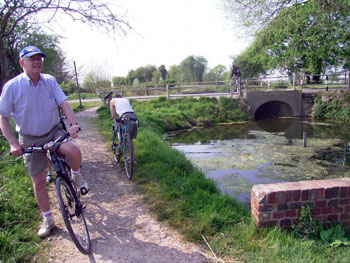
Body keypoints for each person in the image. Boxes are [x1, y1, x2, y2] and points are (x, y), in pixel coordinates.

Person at [0, 45, 89, 238]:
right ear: (22, 63)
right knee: (39, 182)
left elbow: (64, 103)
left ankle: (75, 175)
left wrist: (73, 123)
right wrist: (13, 143)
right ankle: (48, 219)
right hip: (29, 137)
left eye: (39, 58)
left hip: (53, 130)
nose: (37, 62)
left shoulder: (50, 81)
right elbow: (3, 117)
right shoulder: (12, 87)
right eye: (32, 59)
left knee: (73, 151)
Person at [109, 94, 138, 158]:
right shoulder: (126, 100)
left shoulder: (112, 101)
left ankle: (121, 148)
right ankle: (132, 157)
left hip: (124, 116)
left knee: (122, 133)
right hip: (134, 117)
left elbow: (113, 116)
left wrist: (115, 119)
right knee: (130, 139)